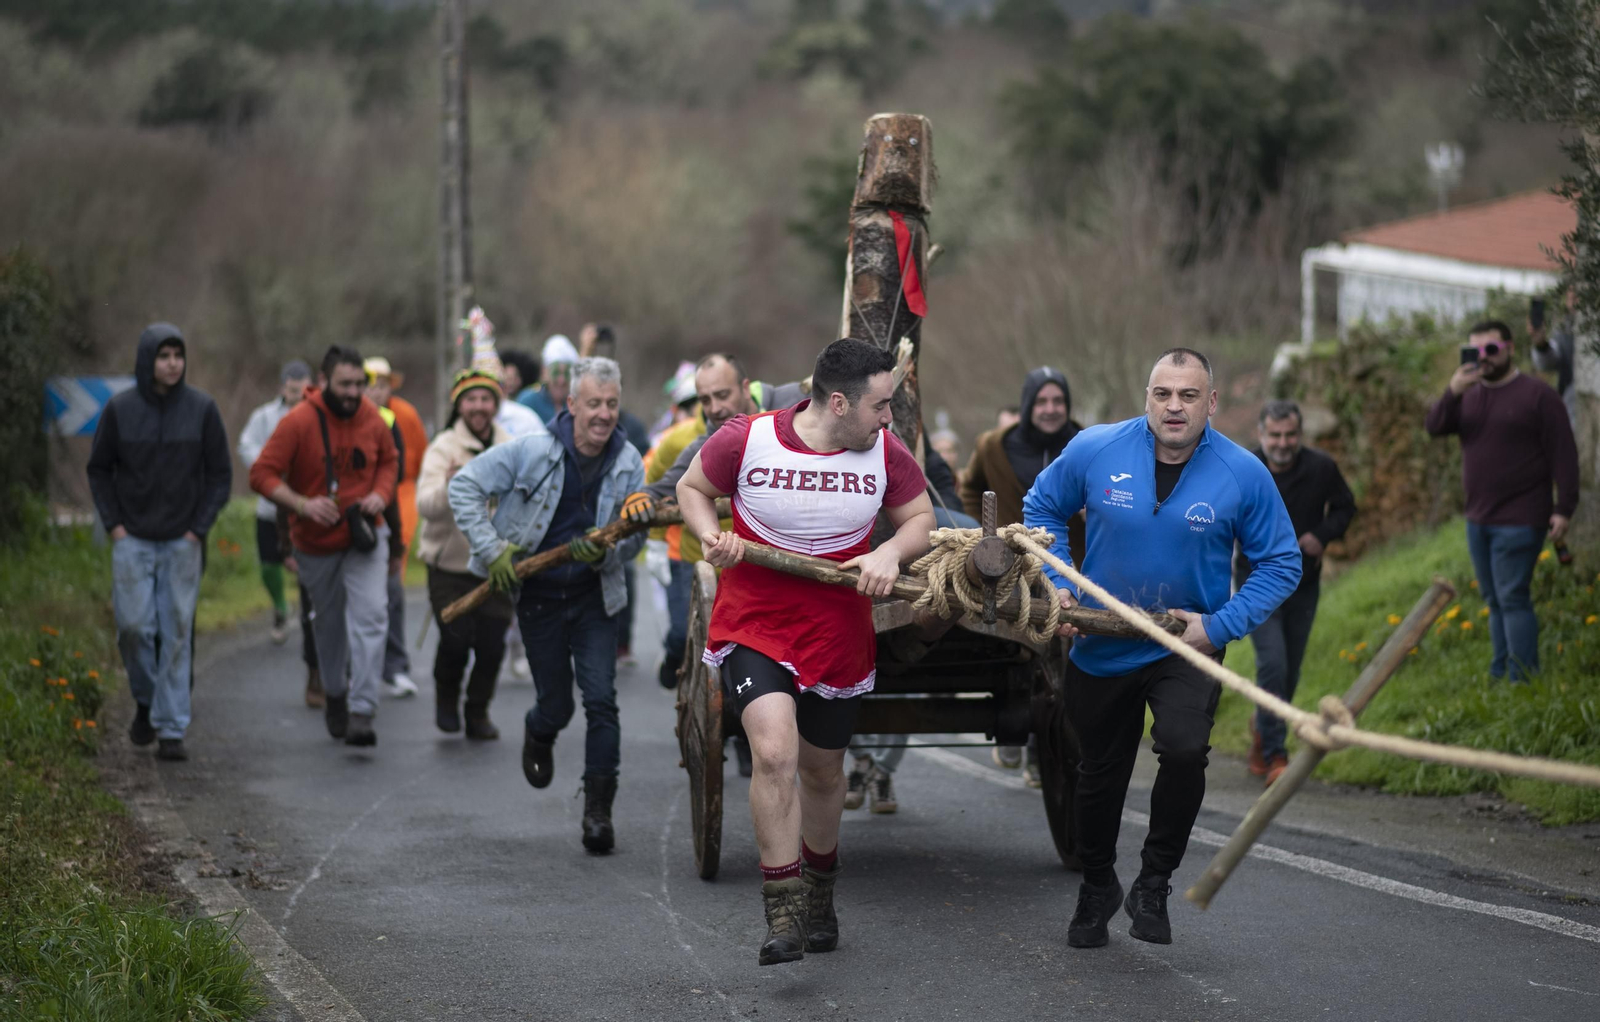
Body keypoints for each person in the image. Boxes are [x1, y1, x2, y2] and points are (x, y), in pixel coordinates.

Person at [1024, 347, 1300, 949]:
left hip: (1186, 645)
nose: (1175, 406)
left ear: (1212, 402)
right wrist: (1061, 584)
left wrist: (1219, 627)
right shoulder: (1095, 449)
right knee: (1098, 772)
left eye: (1189, 395)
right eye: (1163, 394)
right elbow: (1040, 507)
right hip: (1102, 640)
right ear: (1146, 397)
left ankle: (1153, 883)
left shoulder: (1243, 472)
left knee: (1183, 749)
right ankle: (1097, 884)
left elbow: (1282, 562)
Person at [676, 338, 934, 966]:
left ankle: (820, 891)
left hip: (836, 633)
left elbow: (920, 519)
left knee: (822, 771)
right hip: (755, 624)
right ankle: (783, 908)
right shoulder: (747, 438)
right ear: (838, 403)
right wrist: (710, 536)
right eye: (880, 405)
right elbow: (691, 487)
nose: (888, 417)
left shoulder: (885, 451)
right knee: (774, 752)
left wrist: (887, 552)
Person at [449, 357, 645, 853]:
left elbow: (635, 539)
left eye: (612, 403)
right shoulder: (531, 450)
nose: (604, 414)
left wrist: (607, 551)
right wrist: (492, 550)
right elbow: (463, 486)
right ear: (572, 403)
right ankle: (539, 728)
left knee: (601, 700)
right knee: (557, 704)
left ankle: (598, 812)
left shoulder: (629, 462)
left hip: (596, 598)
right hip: (539, 598)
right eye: (594, 403)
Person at [87, 323, 232, 763]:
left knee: (176, 633)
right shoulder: (120, 409)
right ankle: (148, 701)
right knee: (134, 629)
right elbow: (99, 469)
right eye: (163, 356)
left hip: (182, 541)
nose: (172, 364)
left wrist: (197, 528)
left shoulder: (202, 409)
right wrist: (114, 525)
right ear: (146, 360)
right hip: (132, 538)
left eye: (178, 355)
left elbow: (220, 475)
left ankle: (171, 728)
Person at [250, 345, 399, 747]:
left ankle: (363, 709)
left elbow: (390, 461)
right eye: (344, 384)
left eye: (359, 384)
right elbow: (261, 474)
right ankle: (334, 692)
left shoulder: (372, 417)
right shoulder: (298, 421)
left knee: (372, 615)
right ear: (322, 381)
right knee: (329, 623)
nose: (353, 393)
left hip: (364, 536)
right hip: (315, 542)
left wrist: (380, 495)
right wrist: (302, 504)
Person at [1425, 320, 1579, 682]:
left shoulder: (1538, 395)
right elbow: (1434, 427)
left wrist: (1564, 508)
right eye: (1474, 351)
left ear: (1509, 348)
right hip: (1478, 518)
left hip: (1522, 517)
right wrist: (1452, 391)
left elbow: (1565, 455)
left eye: (1491, 349)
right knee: (1494, 599)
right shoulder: (1468, 394)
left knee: (1512, 598)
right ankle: (1501, 674)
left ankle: (1522, 678)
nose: (1483, 358)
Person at [963, 367, 1084, 778]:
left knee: (1065, 655)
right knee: (1020, 650)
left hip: (1070, 567)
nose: (1051, 410)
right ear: (1028, 404)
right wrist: (981, 534)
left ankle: (1044, 745)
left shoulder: (1085, 444)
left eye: (1059, 401)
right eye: (1042, 401)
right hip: (1009, 569)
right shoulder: (994, 446)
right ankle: (1022, 722)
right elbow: (969, 488)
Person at [1239, 400, 1355, 786]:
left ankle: (1263, 727)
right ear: (1261, 434)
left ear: (1300, 434)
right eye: (1275, 435)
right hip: (1257, 584)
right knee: (1273, 664)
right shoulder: (1244, 468)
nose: (1283, 443)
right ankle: (1276, 753)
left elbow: (1345, 508)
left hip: (1304, 584)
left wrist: (1322, 535)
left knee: (1289, 671)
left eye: (1290, 435)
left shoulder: (1321, 467)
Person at [417, 368, 513, 739]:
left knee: (492, 645)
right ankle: (446, 698)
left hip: (496, 564)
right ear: (459, 405)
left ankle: (477, 711)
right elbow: (426, 507)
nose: (479, 406)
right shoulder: (443, 447)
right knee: (456, 639)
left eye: (486, 399)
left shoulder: (510, 445)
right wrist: (450, 485)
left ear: (495, 404)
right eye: (471, 399)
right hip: (449, 565)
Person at [237, 360, 311, 643]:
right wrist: (269, 467)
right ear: (282, 388)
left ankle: (310, 615)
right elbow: (246, 444)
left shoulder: (316, 416)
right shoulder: (264, 417)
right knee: (269, 563)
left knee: (307, 564)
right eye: (292, 390)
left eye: (302, 390)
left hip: (304, 505)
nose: (296, 396)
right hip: (271, 504)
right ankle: (281, 606)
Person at [363, 357, 422, 699]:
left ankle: (396, 667)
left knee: (392, 589)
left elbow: (413, 462)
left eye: (382, 385)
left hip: (396, 503)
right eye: (370, 384)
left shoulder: (402, 417)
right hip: (354, 516)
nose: (375, 391)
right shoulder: (341, 419)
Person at [1529, 293, 1579, 431]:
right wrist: (1541, 345)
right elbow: (1548, 363)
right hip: (1574, 413)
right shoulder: (1565, 328)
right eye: (1571, 296)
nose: (1574, 301)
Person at [519, 334, 580, 423]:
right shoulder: (528, 402)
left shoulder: (578, 404)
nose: (561, 380)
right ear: (545, 373)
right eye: (556, 373)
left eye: (566, 374)